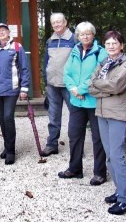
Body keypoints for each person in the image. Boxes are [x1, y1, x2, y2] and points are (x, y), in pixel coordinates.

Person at [88, 30, 126, 215]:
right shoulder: (104, 62)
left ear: (122, 45)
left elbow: (116, 86)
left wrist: (102, 85)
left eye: (115, 43)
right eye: (108, 43)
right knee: (109, 155)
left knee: (117, 155)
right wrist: (106, 88)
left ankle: (125, 200)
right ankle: (120, 190)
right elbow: (91, 86)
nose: (111, 46)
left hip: (118, 115)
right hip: (102, 113)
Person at [58, 22, 108, 185]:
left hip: (93, 102)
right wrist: (73, 89)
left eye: (88, 33)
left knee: (97, 138)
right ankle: (75, 169)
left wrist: (80, 89)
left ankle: (100, 173)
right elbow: (67, 73)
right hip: (76, 102)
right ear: (78, 36)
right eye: (82, 34)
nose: (85, 36)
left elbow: (98, 75)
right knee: (74, 135)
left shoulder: (101, 52)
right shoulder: (74, 51)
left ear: (93, 35)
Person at [0, 23, 30, 165]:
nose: (1, 33)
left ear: (9, 33)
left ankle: (11, 151)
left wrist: (24, 88)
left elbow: (24, 68)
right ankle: (6, 146)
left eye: (4, 30)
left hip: (11, 89)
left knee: (8, 117)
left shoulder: (17, 47)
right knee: (2, 119)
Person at [42, 12, 75, 156]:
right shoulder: (50, 41)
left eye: (59, 22)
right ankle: (52, 145)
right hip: (52, 85)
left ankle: (76, 146)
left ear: (65, 22)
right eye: (54, 22)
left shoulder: (74, 39)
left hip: (69, 85)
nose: (56, 25)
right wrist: (46, 80)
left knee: (75, 116)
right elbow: (46, 62)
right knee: (53, 117)